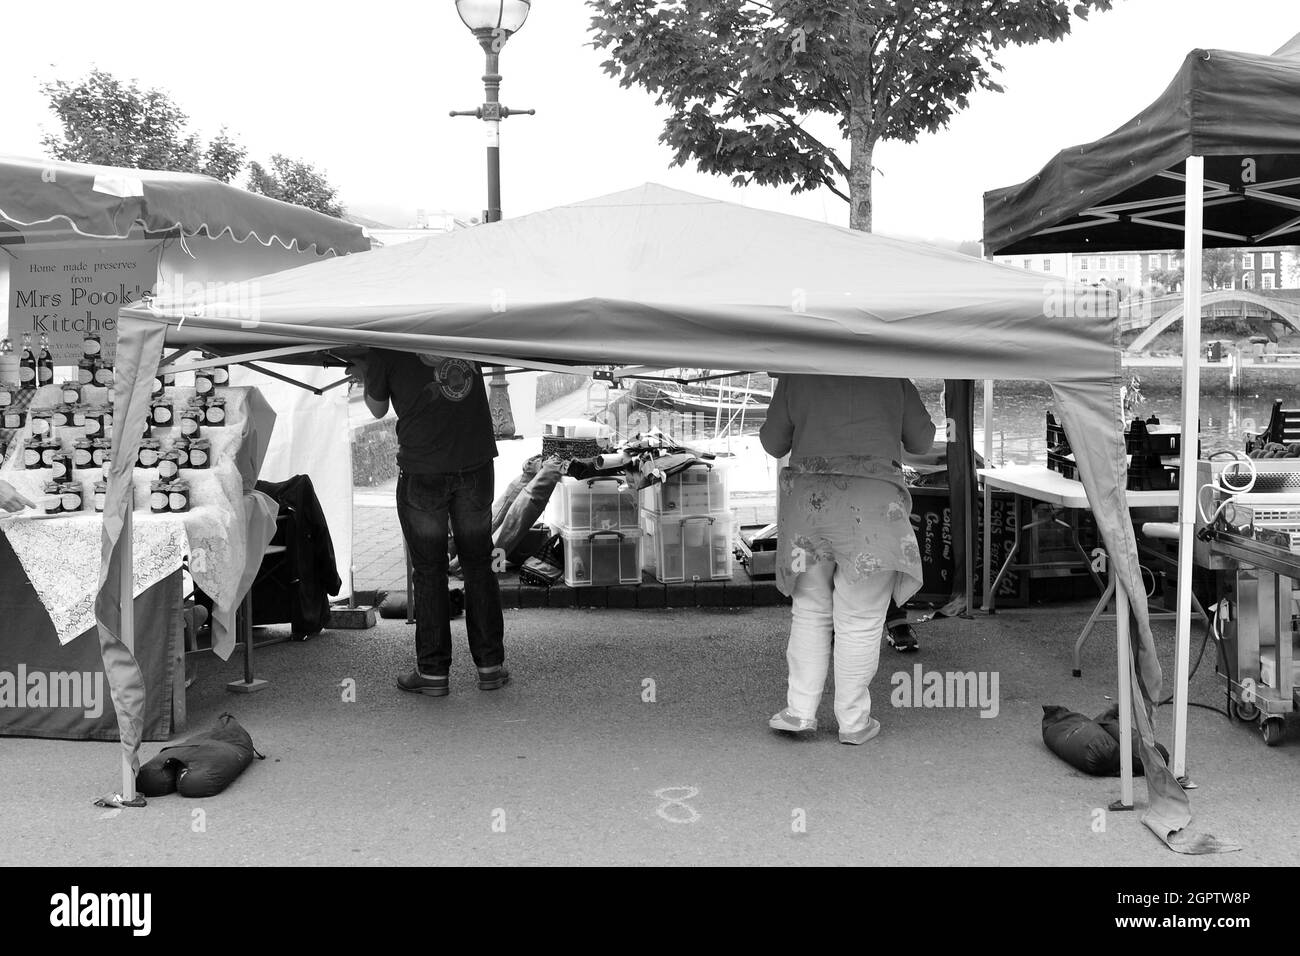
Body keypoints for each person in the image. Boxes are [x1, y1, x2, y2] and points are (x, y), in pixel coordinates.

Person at [760, 374, 935, 744]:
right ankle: (853, 722)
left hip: (808, 508)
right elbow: (923, 442)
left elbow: (772, 443)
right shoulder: (894, 379)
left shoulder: (797, 375)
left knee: (809, 611)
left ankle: (799, 711)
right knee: (860, 619)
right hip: (873, 509)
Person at [349, 350, 509, 697]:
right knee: (479, 565)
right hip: (476, 464)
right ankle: (490, 667)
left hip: (424, 471)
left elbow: (377, 409)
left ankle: (434, 673)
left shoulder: (385, 341)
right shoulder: (460, 326)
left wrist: (366, 371)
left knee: (429, 570)